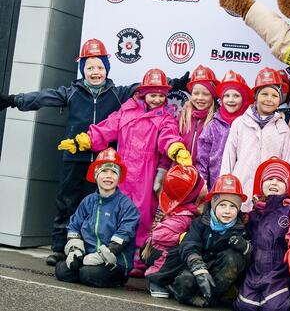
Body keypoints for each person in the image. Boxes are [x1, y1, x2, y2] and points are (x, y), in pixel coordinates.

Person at [0, 39, 138, 265]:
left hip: (104, 163)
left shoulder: (117, 94)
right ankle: (58, 249)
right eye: (90, 68)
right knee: (67, 202)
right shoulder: (73, 92)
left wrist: (176, 84)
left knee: (97, 205)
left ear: (107, 69)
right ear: (83, 70)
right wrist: (15, 100)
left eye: (100, 67)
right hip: (74, 157)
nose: (95, 72)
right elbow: (44, 96)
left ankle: (88, 250)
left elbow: (146, 89)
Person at [58, 68, 186, 276]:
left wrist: (175, 149)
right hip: (122, 173)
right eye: (153, 94)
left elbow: (168, 137)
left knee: (142, 215)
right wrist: (83, 141)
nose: (156, 99)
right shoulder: (126, 111)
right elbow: (106, 128)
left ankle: (136, 259)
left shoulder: (166, 119)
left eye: (161, 95)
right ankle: (107, 252)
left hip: (145, 175)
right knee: (114, 212)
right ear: (144, 93)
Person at [55, 148, 140, 287]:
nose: (109, 176)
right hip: (87, 258)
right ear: (96, 175)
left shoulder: (127, 206)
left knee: (87, 274)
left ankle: (115, 279)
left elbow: (124, 235)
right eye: (104, 171)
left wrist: (102, 255)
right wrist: (75, 250)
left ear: (119, 178)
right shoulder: (87, 201)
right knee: (62, 271)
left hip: (114, 262)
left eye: (114, 172)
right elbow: (74, 227)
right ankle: (83, 270)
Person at [234, 157, 290, 311]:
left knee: (275, 307)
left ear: (287, 187)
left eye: (280, 180)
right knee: (244, 306)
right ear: (261, 185)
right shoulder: (253, 213)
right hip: (254, 270)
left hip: (278, 272)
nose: (274, 183)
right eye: (269, 179)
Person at [221, 68, 290, 211]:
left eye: (274, 95)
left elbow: (288, 165)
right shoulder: (240, 123)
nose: (269, 99)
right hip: (240, 193)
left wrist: (289, 200)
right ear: (256, 96)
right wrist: (226, 191)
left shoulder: (282, 128)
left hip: (268, 198)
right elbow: (228, 159)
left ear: (280, 99)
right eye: (264, 94)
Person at [172, 174, 250, 307]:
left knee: (234, 258)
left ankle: (212, 297)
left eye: (232, 206)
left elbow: (249, 258)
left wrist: (245, 247)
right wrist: (198, 267)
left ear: (238, 209)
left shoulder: (241, 228)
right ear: (214, 206)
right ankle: (192, 297)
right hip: (197, 269)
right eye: (222, 205)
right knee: (184, 283)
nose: (227, 211)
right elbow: (188, 245)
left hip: (219, 276)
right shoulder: (200, 223)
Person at [143, 165, 204, 298]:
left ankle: (167, 280)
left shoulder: (186, 208)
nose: (205, 184)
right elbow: (158, 235)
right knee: (181, 252)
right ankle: (155, 279)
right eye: (201, 184)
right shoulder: (182, 217)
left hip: (157, 249)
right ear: (193, 194)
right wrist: (181, 237)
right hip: (159, 253)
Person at [196, 70, 253, 190]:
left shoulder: (250, 124)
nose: (231, 100)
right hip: (216, 186)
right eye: (226, 95)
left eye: (236, 96)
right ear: (221, 99)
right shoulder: (213, 125)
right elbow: (202, 158)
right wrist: (202, 183)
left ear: (244, 98)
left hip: (243, 186)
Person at [177, 64, 219, 164]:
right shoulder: (182, 116)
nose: (200, 98)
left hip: (202, 177)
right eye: (196, 93)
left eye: (206, 94)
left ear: (213, 96)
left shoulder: (216, 121)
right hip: (179, 174)